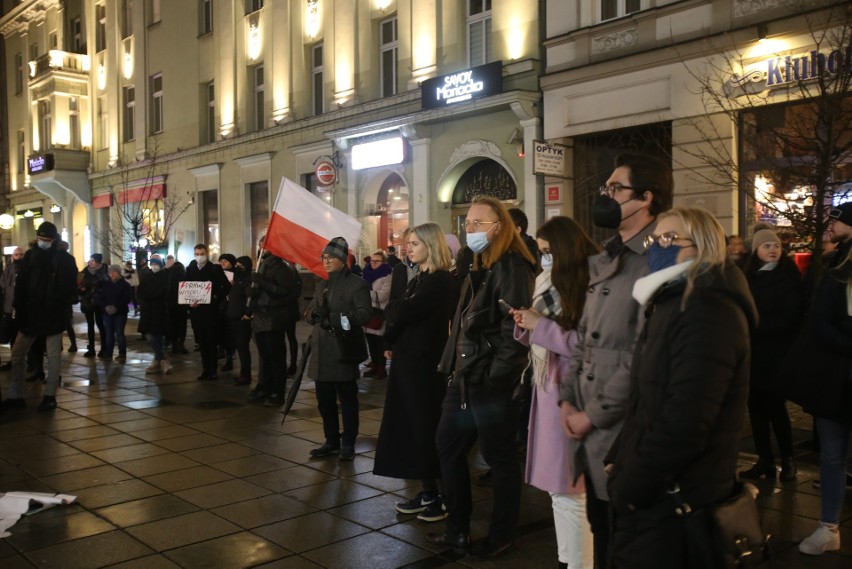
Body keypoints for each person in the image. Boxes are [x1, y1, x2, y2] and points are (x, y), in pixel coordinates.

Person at [605, 207, 757, 568]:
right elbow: (646, 400)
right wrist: (619, 458)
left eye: (670, 238)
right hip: (656, 494)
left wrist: (632, 485)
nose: (658, 246)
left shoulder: (707, 310)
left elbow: (687, 420)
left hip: (676, 500)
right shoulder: (672, 302)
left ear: (702, 246)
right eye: (654, 239)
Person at [559, 152, 673, 569]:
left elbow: (644, 352)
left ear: (645, 198)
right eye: (606, 187)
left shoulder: (659, 259)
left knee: (624, 545)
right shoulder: (608, 257)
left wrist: (593, 415)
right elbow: (583, 340)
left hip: (622, 434)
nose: (605, 196)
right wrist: (567, 399)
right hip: (588, 431)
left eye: (615, 189)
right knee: (601, 530)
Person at [428, 196, 535, 557]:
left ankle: (502, 533)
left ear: (499, 227)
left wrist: (496, 378)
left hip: (487, 380)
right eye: (468, 223)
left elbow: (515, 329)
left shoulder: (511, 266)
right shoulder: (478, 263)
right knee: (447, 447)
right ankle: (457, 528)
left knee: (499, 457)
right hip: (463, 376)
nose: (470, 229)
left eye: (478, 223)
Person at [511, 216, 598, 569]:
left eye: (549, 252)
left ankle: (578, 563)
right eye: (541, 252)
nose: (544, 259)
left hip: (571, 396)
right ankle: (570, 560)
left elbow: (591, 346)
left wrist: (540, 326)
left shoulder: (589, 286)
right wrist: (526, 325)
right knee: (561, 491)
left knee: (569, 490)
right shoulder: (549, 282)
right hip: (550, 390)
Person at [373, 223, 455, 522]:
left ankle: (444, 496)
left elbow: (400, 311)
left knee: (426, 427)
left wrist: (397, 309)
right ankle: (428, 490)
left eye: (415, 243)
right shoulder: (420, 279)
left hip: (424, 366)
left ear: (431, 245)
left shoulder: (440, 280)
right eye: (407, 243)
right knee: (413, 428)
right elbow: (396, 310)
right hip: (409, 362)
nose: (408, 248)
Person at [795, 216, 852, 556]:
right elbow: (818, 324)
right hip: (835, 380)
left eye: (840, 221)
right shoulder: (835, 273)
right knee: (832, 456)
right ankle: (828, 526)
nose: (832, 226)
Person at [739, 229, 805, 482]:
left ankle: (788, 459)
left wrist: (757, 325)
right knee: (755, 409)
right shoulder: (748, 277)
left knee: (776, 407)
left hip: (777, 353)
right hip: (753, 353)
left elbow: (792, 314)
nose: (772, 250)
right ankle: (764, 460)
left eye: (775, 245)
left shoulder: (789, 275)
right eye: (766, 246)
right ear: (756, 250)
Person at [305, 237, 372, 461]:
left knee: (348, 401)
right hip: (322, 351)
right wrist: (314, 314)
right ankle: (331, 440)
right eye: (323, 257)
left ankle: (349, 443)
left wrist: (335, 319)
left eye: (330, 257)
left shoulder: (357, 284)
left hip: (342, 351)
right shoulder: (322, 284)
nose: (326, 261)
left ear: (343, 260)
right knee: (324, 402)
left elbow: (364, 314)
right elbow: (309, 312)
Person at [0, 222, 78, 412]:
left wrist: (58, 305)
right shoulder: (31, 256)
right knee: (18, 354)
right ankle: (16, 394)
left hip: (52, 315)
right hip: (32, 314)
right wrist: (19, 308)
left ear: (54, 239)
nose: (43, 242)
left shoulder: (63, 259)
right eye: (41, 239)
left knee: (52, 357)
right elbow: (23, 285)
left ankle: (49, 395)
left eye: (47, 240)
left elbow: (68, 289)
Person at [247, 245, 299, 406]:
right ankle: (266, 388)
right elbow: (257, 290)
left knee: (276, 357)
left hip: (273, 318)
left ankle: (278, 392)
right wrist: (251, 292)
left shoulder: (282, 269)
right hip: (260, 317)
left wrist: (261, 281)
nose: (261, 248)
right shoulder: (263, 265)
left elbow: (283, 291)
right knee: (265, 357)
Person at [185, 243, 231, 380]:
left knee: (211, 342)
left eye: (202, 254)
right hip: (196, 312)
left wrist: (212, 298)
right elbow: (186, 288)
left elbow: (226, 287)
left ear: (207, 254)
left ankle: (212, 369)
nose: (199, 257)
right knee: (202, 343)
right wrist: (189, 302)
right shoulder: (191, 268)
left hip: (210, 312)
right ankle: (205, 369)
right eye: (197, 254)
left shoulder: (215, 269)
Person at [137, 257, 173, 374]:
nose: (153, 266)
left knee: (156, 336)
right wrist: (149, 295)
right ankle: (162, 359)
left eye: (155, 264)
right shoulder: (146, 276)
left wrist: (149, 295)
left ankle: (158, 360)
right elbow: (140, 292)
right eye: (152, 264)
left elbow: (162, 292)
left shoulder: (164, 276)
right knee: (149, 336)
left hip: (159, 311)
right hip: (147, 312)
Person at [362, 250, 392, 379]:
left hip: (379, 313)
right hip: (368, 312)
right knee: (371, 342)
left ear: (383, 262)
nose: (373, 263)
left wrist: (366, 293)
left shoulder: (388, 275)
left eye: (377, 261)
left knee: (380, 343)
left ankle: (381, 368)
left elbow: (383, 295)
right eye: (372, 260)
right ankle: (374, 365)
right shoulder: (366, 273)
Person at [99, 265, 133, 362]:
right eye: (110, 272)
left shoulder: (125, 285)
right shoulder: (106, 285)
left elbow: (126, 298)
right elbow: (101, 298)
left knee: (119, 333)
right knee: (109, 333)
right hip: (107, 313)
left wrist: (116, 307)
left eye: (114, 272)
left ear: (119, 273)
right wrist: (106, 307)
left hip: (120, 313)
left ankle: (122, 353)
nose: (112, 273)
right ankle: (109, 352)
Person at [228, 256, 254, 385]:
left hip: (242, 318)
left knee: (243, 347)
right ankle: (243, 373)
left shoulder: (249, 279)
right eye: (237, 265)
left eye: (241, 265)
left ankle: (246, 375)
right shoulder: (237, 278)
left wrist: (247, 313)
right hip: (234, 315)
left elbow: (250, 297)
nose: (238, 267)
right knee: (239, 346)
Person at [78, 253, 108, 357]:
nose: (90, 262)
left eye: (93, 261)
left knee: (101, 325)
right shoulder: (84, 272)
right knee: (90, 325)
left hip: (99, 303)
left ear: (98, 263)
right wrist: (81, 290)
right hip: (87, 302)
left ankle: (104, 348)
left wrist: (88, 285)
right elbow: (78, 283)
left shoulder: (103, 272)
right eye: (90, 260)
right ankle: (91, 348)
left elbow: (105, 284)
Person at [0, 247, 24, 369]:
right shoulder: (8, 269)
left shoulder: (26, 269)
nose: (18, 256)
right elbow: (3, 286)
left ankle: (19, 360)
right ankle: (13, 360)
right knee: (11, 335)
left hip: (21, 307)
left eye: (21, 254)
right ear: (12, 256)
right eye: (16, 254)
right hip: (9, 307)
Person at [218, 253, 238, 372]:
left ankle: (229, 357)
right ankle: (222, 350)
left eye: (225, 261)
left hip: (231, 309)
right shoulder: (218, 273)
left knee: (230, 334)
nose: (222, 263)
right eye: (221, 261)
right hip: (220, 308)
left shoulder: (236, 274)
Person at [167, 260, 189, 354]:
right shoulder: (184, 277)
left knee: (172, 326)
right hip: (182, 306)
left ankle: (174, 345)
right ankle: (181, 344)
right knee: (182, 326)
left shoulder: (169, 278)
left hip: (171, 306)